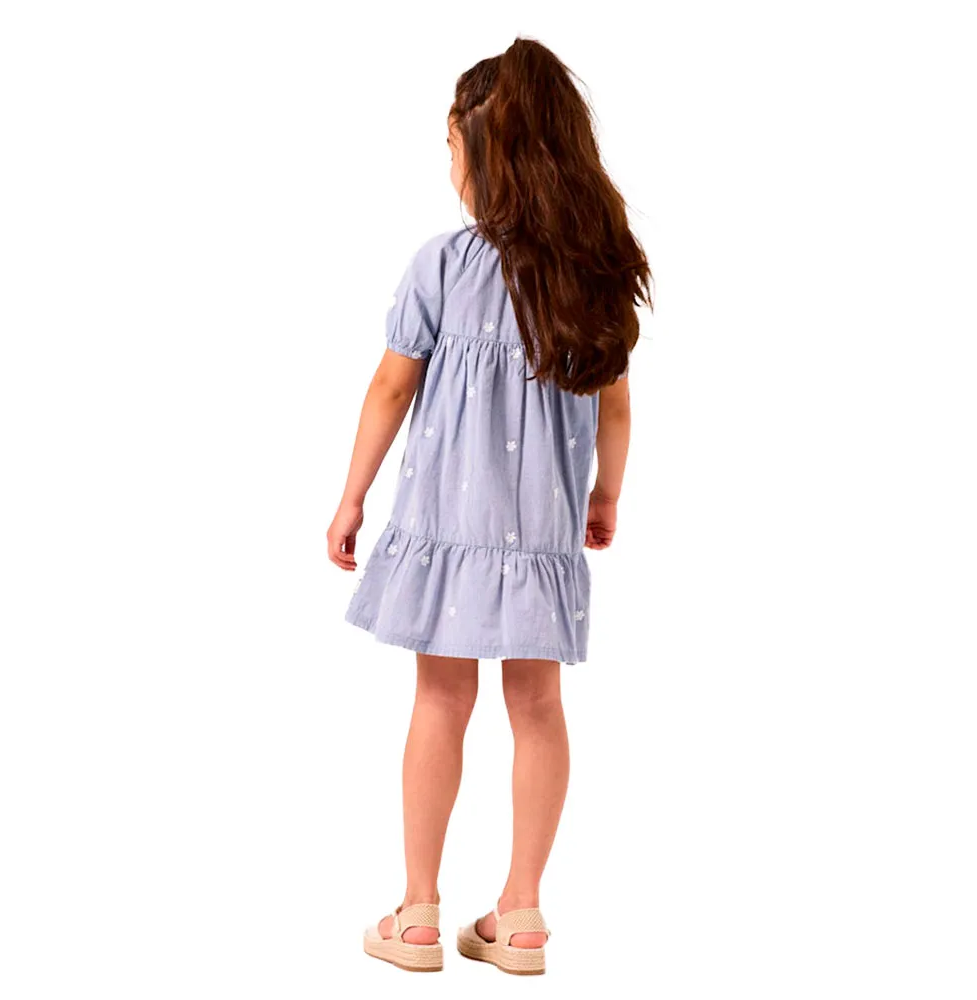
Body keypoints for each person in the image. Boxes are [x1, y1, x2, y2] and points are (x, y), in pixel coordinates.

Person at [327, 36, 652, 976]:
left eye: (451, 146)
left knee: (440, 698)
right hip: (541, 534)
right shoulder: (590, 275)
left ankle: (418, 915)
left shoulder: (442, 265)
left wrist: (352, 496)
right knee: (539, 704)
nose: (449, 166)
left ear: (487, 154)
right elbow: (616, 405)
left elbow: (390, 388)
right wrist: (604, 493)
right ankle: (522, 915)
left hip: (446, 528)